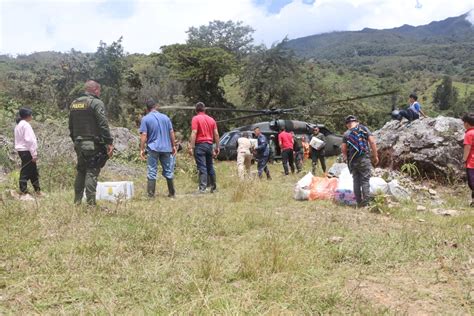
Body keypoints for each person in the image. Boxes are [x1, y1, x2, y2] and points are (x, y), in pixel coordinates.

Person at [69, 80, 114, 206]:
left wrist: (76, 140)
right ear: (95, 90)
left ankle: (77, 202)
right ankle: (91, 204)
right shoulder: (96, 103)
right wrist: (109, 142)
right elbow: (103, 124)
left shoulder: (74, 103)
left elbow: (71, 126)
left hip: (79, 143)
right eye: (99, 91)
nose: (99, 93)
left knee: (81, 170)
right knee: (92, 171)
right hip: (92, 144)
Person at [139, 98, 177, 198]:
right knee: (168, 170)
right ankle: (172, 193)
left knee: (152, 171)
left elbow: (144, 134)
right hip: (166, 148)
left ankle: (151, 195)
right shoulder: (166, 118)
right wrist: (173, 146)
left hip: (153, 147)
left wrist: (142, 149)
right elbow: (171, 132)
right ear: (155, 106)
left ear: (147, 109)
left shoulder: (145, 119)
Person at [341, 115, 379, 207]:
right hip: (364, 158)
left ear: (347, 125)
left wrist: (346, 158)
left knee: (356, 181)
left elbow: (343, 149)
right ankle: (366, 204)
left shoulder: (346, 134)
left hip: (352, 161)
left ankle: (359, 202)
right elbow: (372, 142)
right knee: (365, 180)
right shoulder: (363, 129)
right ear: (357, 122)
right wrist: (375, 156)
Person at [188, 102, 220, 193]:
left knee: (202, 167)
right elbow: (216, 134)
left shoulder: (195, 118)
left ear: (196, 110)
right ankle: (213, 187)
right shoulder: (211, 119)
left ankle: (202, 188)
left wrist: (191, 146)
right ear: (204, 109)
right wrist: (217, 147)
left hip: (200, 145)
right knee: (210, 166)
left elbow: (194, 132)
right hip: (209, 145)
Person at [14, 108, 43, 200]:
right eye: (31, 114)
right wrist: (34, 154)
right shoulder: (26, 125)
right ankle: (23, 192)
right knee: (25, 171)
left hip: (22, 151)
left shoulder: (18, 125)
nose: (32, 116)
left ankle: (37, 191)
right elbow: (30, 140)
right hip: (27, 151)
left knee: (33, 171)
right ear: (27, 116)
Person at [462, 113, 474, 207]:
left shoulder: (469, 133)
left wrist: (464, 159)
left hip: (472, 162)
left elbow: (467, 148)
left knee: (472, 183)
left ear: (466, 123)